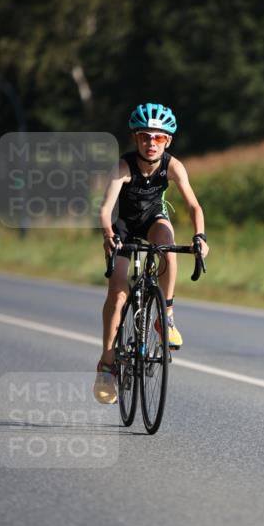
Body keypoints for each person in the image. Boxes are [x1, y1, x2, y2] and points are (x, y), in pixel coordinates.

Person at [93, 102, 209, 404]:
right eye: (145, 136)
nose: (151, 143)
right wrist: (108, 236)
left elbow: (194, 206)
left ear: (167, 140)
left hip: (152, 220)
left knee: (167, 246)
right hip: (122, 227)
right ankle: (107, 362)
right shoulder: (123, 166)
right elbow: (105, 209)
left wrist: (200, 237)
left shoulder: (173, 165)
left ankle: (166, 316)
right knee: (118, 292)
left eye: (158, 138)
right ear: (136, 138)